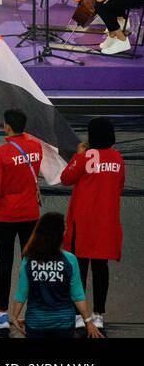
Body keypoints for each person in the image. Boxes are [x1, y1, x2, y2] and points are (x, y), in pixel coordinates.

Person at [0, 107, 44, 331]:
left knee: (4, 264)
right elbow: (19, 161)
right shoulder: (36, 148)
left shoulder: (1, 155)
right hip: (30, 214)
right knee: (32, 263)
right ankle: (34, 312)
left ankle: (2, 314)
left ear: (7, 126)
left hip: (6, 217)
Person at [59, 117, 124, 329]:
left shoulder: (86, 156)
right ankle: (98, 315)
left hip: (83, 223)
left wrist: (78, 156)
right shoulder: (118, 158)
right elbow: (119, 185)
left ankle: (80, 315)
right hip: (106, 223)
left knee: (79, 269)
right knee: (101, 269)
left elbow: (66, 177)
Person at [11, 211, 103, 338]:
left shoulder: (28, 259)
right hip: (64, 323)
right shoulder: (70, 260)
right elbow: (77, 295)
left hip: (36, 322)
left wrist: (14, 316)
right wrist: (88, 322)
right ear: (61, 234)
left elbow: (22, 293)